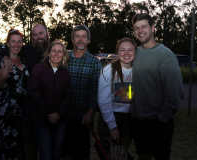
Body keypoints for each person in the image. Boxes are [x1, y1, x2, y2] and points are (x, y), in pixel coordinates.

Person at [130, 13, 184, 160]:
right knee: (143, 156)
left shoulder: (165, 55)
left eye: (144, 26)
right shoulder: (134, 54)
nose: (140, 30)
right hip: (137, 121)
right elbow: (130, 84)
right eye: (136, 28)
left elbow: (175, 93)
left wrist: (161, 118)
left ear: (153, 28)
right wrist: (129, 105)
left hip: (159, 122)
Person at [0, 24, 50, 160]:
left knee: (47, 142)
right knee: (27, 140)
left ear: (47, 34)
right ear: (32, 37)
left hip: (49, 103)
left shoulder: (54, 50)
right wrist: (5, 58)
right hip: (30, 104)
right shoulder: (26, 50)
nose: (38, 37)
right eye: (35, 35)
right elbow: (4, 46)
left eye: (41, 33)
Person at [0, 29, 29, 159]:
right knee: (1, 147)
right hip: (1, 114)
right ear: (7, 44)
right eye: (13, 41)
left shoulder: (25, 60)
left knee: (16, 147)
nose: (16, 44)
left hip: (20, 113)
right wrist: (4, 76)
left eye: (19, 41)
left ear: (22, 43)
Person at [61, 25, 102, 160]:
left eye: (84, 36)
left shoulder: (95, 63)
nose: (80, 39)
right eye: (77, 36)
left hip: (83, 118)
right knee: (64, 152)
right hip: (63, 116)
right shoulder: (63, 58)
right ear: (72, 39)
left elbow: (96, 90)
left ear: (88, 40)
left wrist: (91, 113)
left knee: (81, 153)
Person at [28, 40, 72, 160]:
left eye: (59, 51)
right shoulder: (38, 69)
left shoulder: (65, 73)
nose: (56, 54)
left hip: (60, 121)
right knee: (46, 156)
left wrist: (58, 114)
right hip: (41, 120)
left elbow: (68, 96)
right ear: (48, 53)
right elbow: (34, 93)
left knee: (56, 155)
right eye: (53, 51)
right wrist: (48, 114)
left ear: (63, 55)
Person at [97, 38, 136, 151]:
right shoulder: (108, 70)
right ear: (117, 52)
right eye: (122, 50)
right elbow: (103, 101)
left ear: (135, 52)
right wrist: (112, 125)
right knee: (109, 153)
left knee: (121, 153)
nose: (126, 53)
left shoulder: (138, 70)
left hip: (129, 118)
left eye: (130, 50)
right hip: (110, 115)